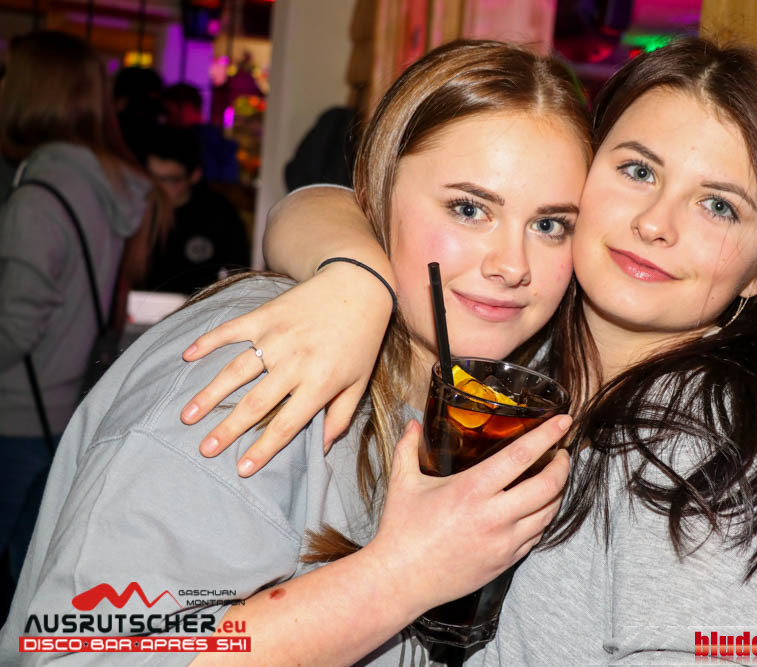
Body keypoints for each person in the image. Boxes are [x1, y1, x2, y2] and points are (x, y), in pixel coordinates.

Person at [179, 37, 757, 662]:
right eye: (639, 171)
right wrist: (355, 278)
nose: (655, 223)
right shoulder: (526, 350)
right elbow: (316, 203)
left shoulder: (700, 446)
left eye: (718, 205)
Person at [0, 40, 590, 665]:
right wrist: (402, 575)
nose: (512, 266)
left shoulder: (518, 388)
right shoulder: (261, 360)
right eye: (469, 209)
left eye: (550, 224)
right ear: (379, 191)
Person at [0, 31, 154, 594]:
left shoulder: (40, 195)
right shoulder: (104, 184)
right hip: (64, 410)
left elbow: (16, 325)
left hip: (14, 414)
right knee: (29, 582)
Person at [144, 125, 250, 294]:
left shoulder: (219, 215)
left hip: (200, 307)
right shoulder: (136, 210)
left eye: (170, 180)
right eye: (152, 177)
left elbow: (238, 274)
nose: (158, 188)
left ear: (194, 176)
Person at [162, 83, 239, 184]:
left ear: (186, 107)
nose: (167, 119)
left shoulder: (196, 140)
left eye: (169, 112)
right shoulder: (216, 140)